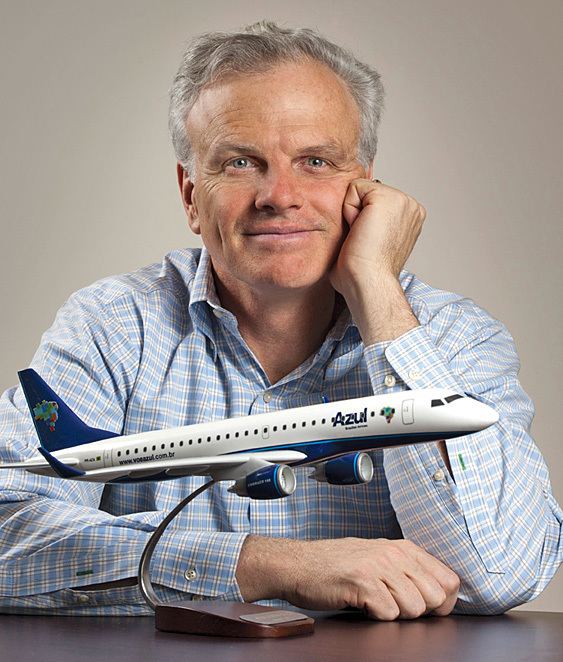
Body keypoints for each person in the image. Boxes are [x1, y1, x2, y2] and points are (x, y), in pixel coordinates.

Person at [0, 21, 561, 619]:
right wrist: (262, 564)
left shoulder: (452, 338)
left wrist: (377, 291)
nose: (281, 195)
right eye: (242, 162)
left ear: (366, 187)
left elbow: (502, 573)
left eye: (316, 161)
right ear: (191, 196)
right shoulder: (114, 326)